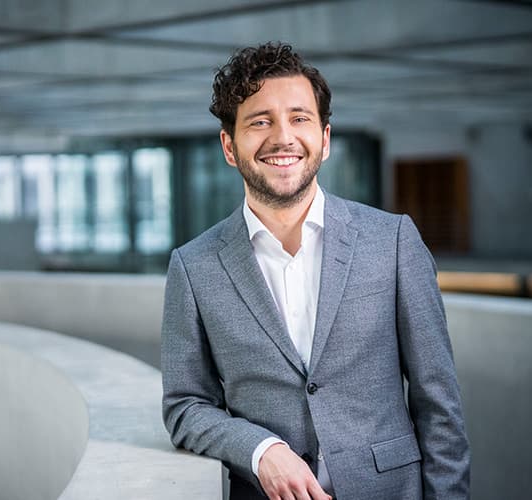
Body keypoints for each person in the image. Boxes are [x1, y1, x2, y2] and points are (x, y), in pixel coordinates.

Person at [161, 42, 470, 500]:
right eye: (260, 121)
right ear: (230, 146)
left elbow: (438, 405)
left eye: (299, 118)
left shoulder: (394, 241)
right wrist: (260, 449)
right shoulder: (193, 266)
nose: (283, 137)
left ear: (324, 140)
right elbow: (185, 406)